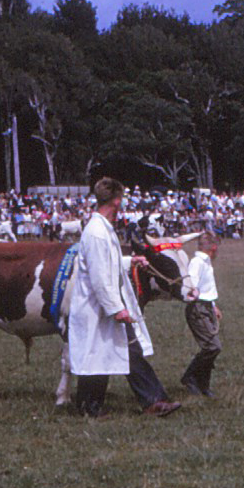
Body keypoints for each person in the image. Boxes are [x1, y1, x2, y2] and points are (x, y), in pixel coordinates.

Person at [65, 177, 180, 418]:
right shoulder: (97, 232)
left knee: (114, 352)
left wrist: (131, 261)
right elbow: (98, 276)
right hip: (98, 307)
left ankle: (151, 401)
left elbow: (108, 263)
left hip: (103, 306)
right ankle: (92, 407)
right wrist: (116, 309)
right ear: (117, 201)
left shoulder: (101, 229)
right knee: (100, 355)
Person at [179, 230, 222, 397]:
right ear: (212, 247)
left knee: (211, 348)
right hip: (198, 309)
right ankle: (190, 377)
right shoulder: (197, 262)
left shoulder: (206, 262)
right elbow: (192, 286)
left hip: (206, 307)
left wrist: (213, 306)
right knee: (213, 346)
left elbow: (205, 287)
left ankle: (203, 384)